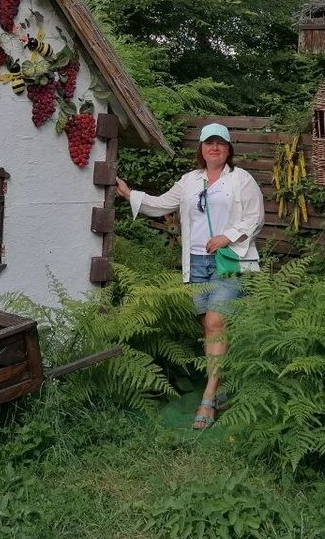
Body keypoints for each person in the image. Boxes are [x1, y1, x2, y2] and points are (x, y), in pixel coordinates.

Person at [116, 122, 265, 429]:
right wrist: (130, 193)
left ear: (228, 149)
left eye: (221, 144)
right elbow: (160, 205)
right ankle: (223, 384)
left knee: (215, 322)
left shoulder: (241, 179)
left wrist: (227, 236)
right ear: (201, 148)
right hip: (196, 263)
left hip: (228, 262)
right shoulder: (189, 181)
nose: (215, 148)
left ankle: (208, 399)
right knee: (210, 327)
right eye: (209, 143)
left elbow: (255, 218)